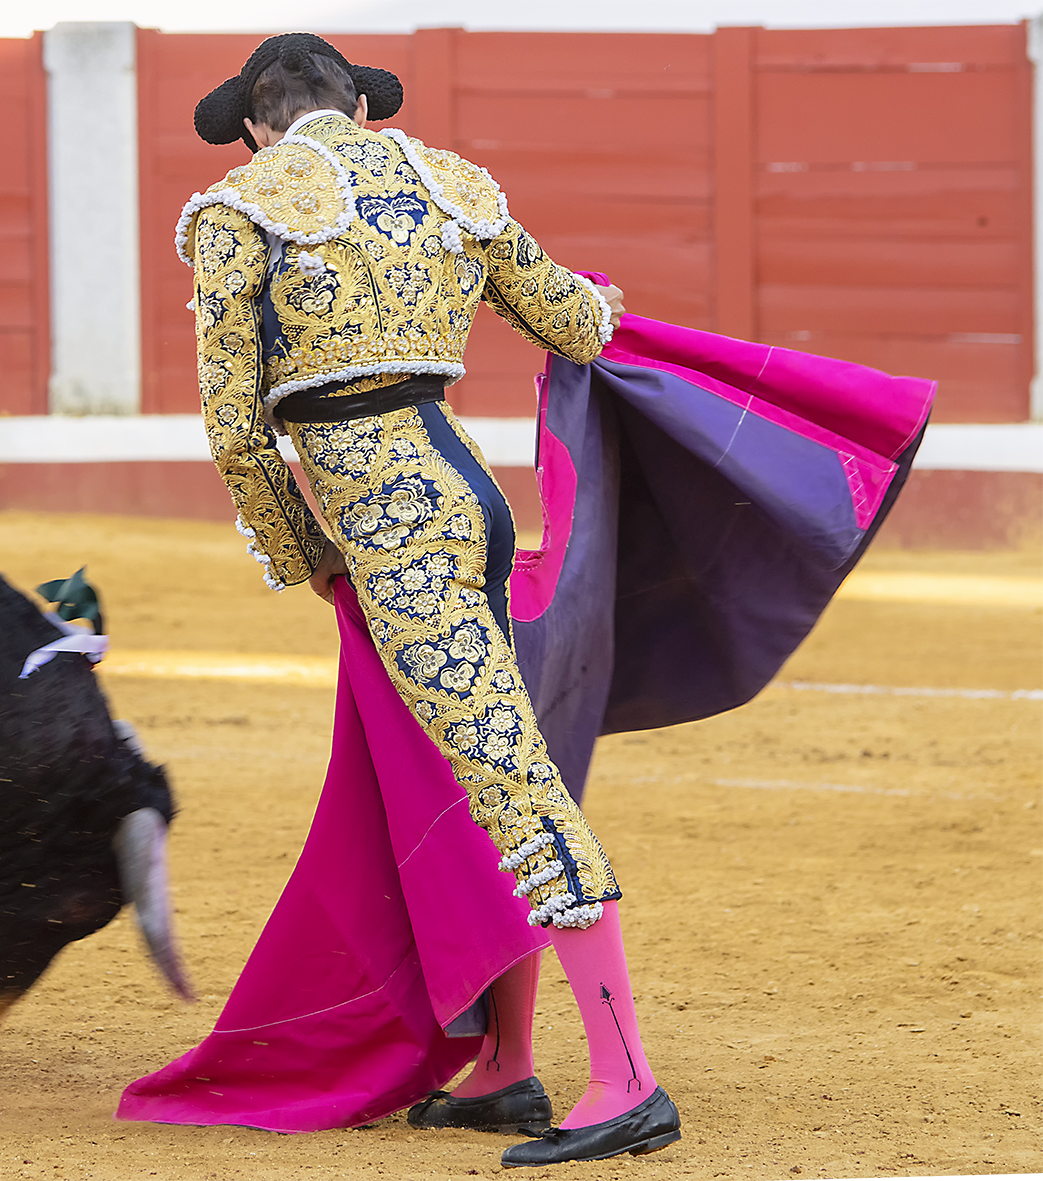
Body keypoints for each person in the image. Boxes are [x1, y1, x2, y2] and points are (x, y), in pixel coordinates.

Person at [148, 34, 676, 1167]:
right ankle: (504, 1065)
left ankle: (628, 1077)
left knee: (504, 772)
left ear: (255, 122)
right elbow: (580, 323)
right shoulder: (450, 182)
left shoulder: (240, 207)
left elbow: (235, 431)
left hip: (390, 525)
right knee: (469, 766)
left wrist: (311, 556)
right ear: (357, 105)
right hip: (471, 499)